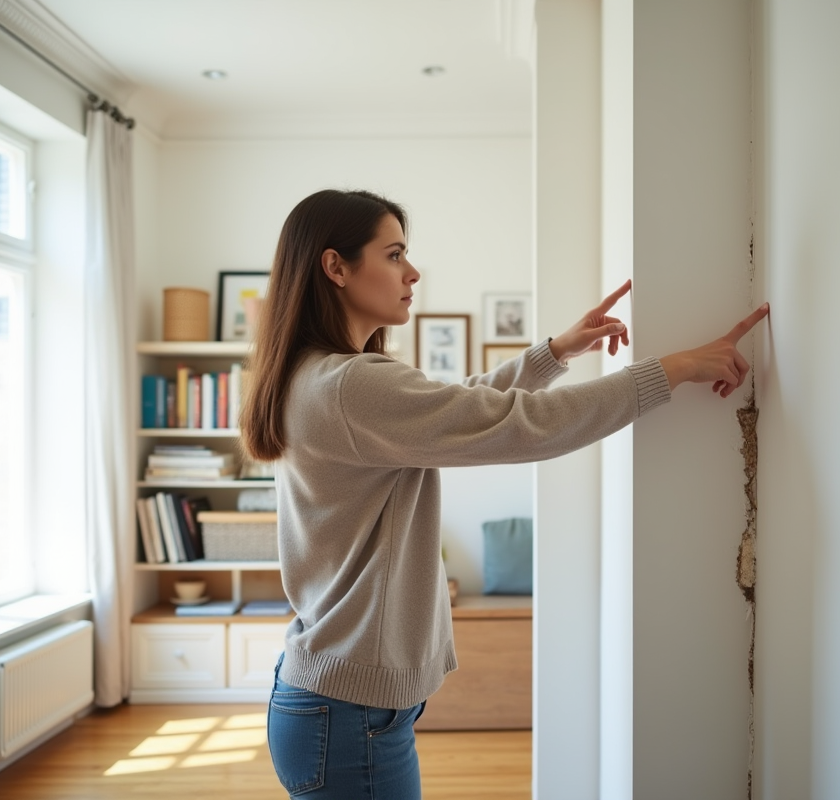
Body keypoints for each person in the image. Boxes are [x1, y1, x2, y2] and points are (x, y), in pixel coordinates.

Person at [240, 189, 769, 799]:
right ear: (336, 267)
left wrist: (554, 353)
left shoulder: (320, 377)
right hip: (349, 714)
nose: (413, 273)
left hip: (337, 702)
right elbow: (516, 425)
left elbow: (460, 408)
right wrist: (669, 370)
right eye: (394, 255)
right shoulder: (349, 386)